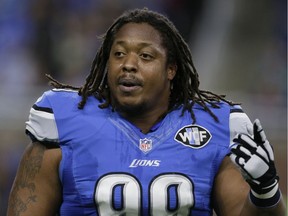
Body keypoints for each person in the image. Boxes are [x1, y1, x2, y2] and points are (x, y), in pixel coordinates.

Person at [7, 8, 286, 216]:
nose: (128, 64)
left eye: (145, 56)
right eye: (118, 54)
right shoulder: (63, 122)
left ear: (171, 69)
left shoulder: (215, 127)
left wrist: (265, 191)